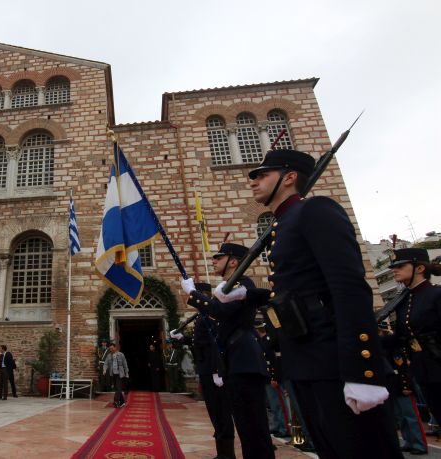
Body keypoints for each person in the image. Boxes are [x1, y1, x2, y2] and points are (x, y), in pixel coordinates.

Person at [239, 148, 402, 458]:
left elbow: (349, 288)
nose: (254, 182)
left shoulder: (315, 211)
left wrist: (362, 372)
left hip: (335, 363)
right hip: (308, 362)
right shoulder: (281, 226)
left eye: (262, 175)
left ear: (288, 178)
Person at [180, 243, 275, 459]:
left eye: (218, 257)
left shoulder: (243, 285)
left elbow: (220, 311)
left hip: (245, 360)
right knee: (246, 427)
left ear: (233, 261)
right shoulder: (229, 285)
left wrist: (193, 293)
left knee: (254, 429)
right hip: (234, 360)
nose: (214, 261)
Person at [172, 283, 236, 459]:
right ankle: (222, 452)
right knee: (215, 412)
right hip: (206, 368)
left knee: (221, 412)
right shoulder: (203, 315)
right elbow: (201, 343)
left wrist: (217, 369)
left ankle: (227, 455)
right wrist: (183, 338)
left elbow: (217, 343)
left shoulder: (211, 316)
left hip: (213, 370)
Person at [386, 248, 441, 438]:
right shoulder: (404, 301)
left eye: (400, 266)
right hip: (423, 368)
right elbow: (400, 337)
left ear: (419, 268)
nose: (395, 270)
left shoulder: (436, 294)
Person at [379, 322, 427, 455]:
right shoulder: (383, 348)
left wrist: (406, 386)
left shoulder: (395, 350)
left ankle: (419, 444)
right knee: (401, 417)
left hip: (402, 387)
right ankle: (409, 441)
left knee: (411, 416)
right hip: (392, 387)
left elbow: (402, 369)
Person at [102, 342, 129, 408]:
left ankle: (116, 401)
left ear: (115, 347)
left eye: (112, 348)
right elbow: (105, 364)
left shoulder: (121, 355)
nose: (111, 349)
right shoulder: (109, 355)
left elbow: (125, 364)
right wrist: (104, 370)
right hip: (113, 374)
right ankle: (122, 402)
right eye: (110, 348)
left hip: (120, 374)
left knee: (119, 388)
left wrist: (127, 373)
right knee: (117, 388)